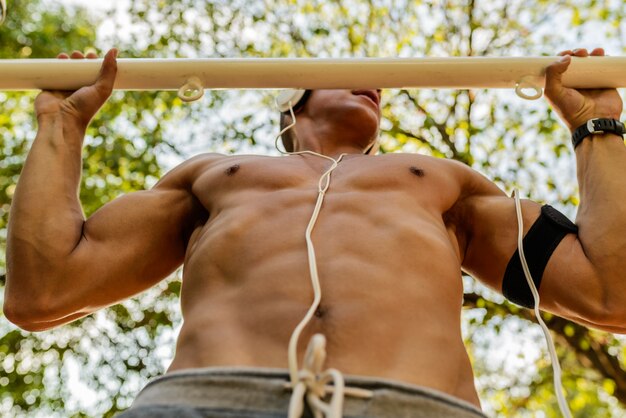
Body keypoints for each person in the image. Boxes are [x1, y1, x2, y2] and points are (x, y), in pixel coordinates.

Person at [4, 47, 626, 418]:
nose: (374, 82)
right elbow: (43, 291)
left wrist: (595, 127)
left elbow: (609, 290)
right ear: (293, 98)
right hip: (212, 399)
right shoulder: (214, 176)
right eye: (348, 70)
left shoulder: (440, 181)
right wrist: (61, 126)